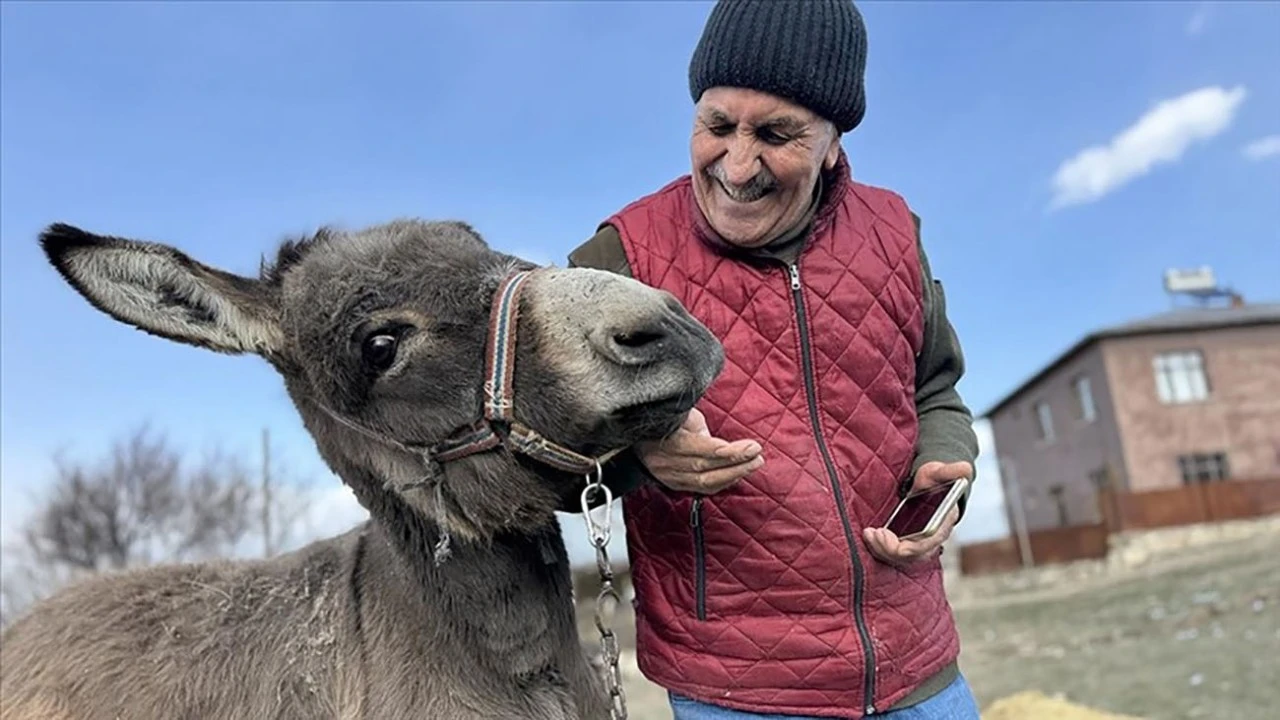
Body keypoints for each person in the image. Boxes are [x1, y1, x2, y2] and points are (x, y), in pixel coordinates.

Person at [565, 1, 982, 717]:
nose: (737, 164)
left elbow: (935, 389)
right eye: (717, 125)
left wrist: (947, 462)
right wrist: (639, 459)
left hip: (918, 668)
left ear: (832, 141)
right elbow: (544, 451)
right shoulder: (617, 262)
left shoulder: (894, 234)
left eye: (775, 134)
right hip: (735, 689)